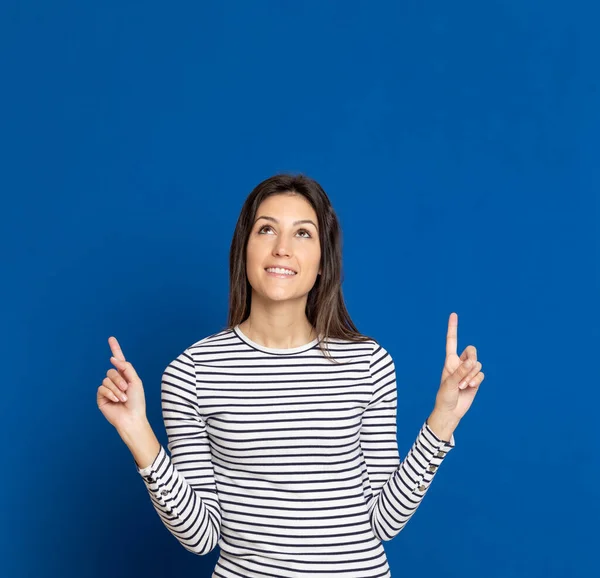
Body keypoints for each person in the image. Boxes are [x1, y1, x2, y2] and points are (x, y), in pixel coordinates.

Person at [97, 174, 484, 577]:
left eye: (303, 233)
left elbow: (384, 520)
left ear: (322, 263)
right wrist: (137, 431)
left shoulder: (368, 364)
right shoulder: (191, 373)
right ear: (243, 249)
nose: (282, 249)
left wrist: (443, 418)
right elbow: (201, 536)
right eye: (266, 229)